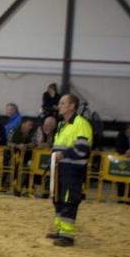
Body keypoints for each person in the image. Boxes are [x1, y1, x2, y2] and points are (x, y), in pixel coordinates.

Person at [48, 93, 93, 247]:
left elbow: (83, 149)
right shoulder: (62, 125)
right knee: (58, 198)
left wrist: (63, 154)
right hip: (60, 168)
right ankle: (61, 230)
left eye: (62, 103)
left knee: (69, 199)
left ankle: (67, 236)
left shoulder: (81, 123)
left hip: (73, 169)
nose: (59, 106)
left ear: (72, 106)